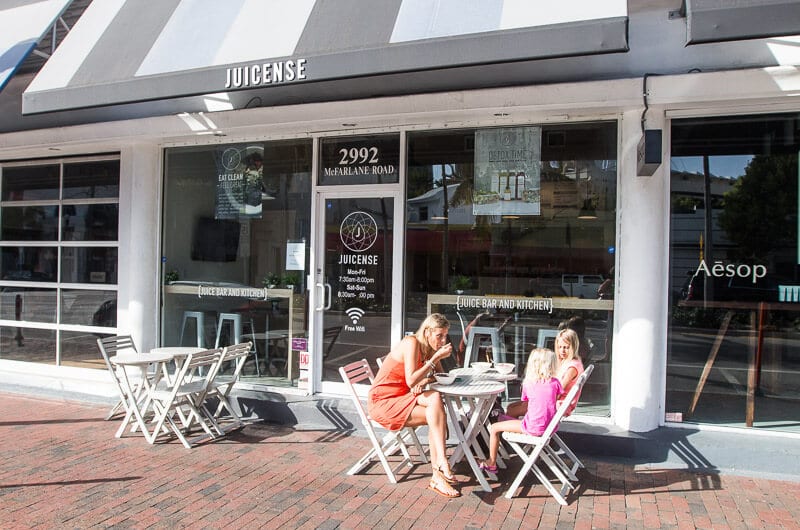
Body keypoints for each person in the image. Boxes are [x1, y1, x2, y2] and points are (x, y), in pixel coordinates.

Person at [368, 313, 460, 498]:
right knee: (434, 415)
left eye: (445, 336)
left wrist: (427, 376)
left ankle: (440, 466)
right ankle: (439, 472)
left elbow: (439, 377)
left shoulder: (430, 348)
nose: (443, 340)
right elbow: (411, 380)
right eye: (439, 336)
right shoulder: (412, 343)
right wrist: (433, 361)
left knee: (434, 399)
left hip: (404, 396)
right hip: (384, 402)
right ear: (427, 332)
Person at [478, 348, 562, 473]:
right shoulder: (555, 383)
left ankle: (491, 462)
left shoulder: (529, 383)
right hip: (550, 426)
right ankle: (503, 433)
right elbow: (554, 398)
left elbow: (525, 402)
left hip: (532, 427)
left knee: (494, 427)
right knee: (504, 416)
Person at [505, 328, 585, 418]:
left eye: (566, 347)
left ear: (574, 347)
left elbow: (558, 392)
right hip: (552, 401)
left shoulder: (572, 368)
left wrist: (538, 396)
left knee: (512, 410)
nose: (562, 351)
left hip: (556, 404)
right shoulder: (568, 361)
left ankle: (519, 429)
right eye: (559, 347)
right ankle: (518, 427)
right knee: (511, 406)